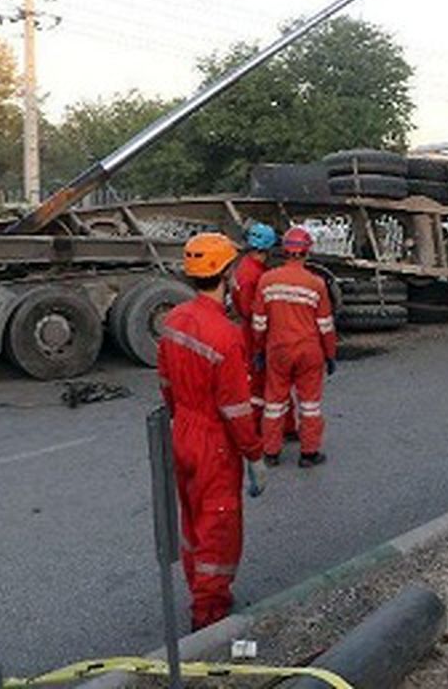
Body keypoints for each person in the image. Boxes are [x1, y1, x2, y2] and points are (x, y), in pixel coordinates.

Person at [157, 232, 268, 630]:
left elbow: (166, 384)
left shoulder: (173, 320)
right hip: (213, 443)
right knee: (218, 526)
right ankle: (208, 614)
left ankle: (198, 586)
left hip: (183, 431)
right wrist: (255, 456)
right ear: (227, 273)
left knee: (192, 519)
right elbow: (236, 411)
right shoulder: (225, 335)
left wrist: (180, 420)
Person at [251, 226, 337, 468]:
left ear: (284, 251)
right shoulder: (316, 284)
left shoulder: (267, 280)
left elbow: (259, 323)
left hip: (277, 349)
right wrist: (330, 355)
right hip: (309, 351)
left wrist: (259, 350)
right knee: (309, 403)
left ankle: (271, 452)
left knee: (274, 402)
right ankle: (309, 453)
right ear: (307, 252)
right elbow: (325, 325)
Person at [230, 222, 291, 438]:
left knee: (272, 381)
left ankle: (286, 425)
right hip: (257, 335)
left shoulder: (246, 268)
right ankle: (262, 427)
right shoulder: (253, 276)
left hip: (253, 332)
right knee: (265, 383)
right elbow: (252, 311)